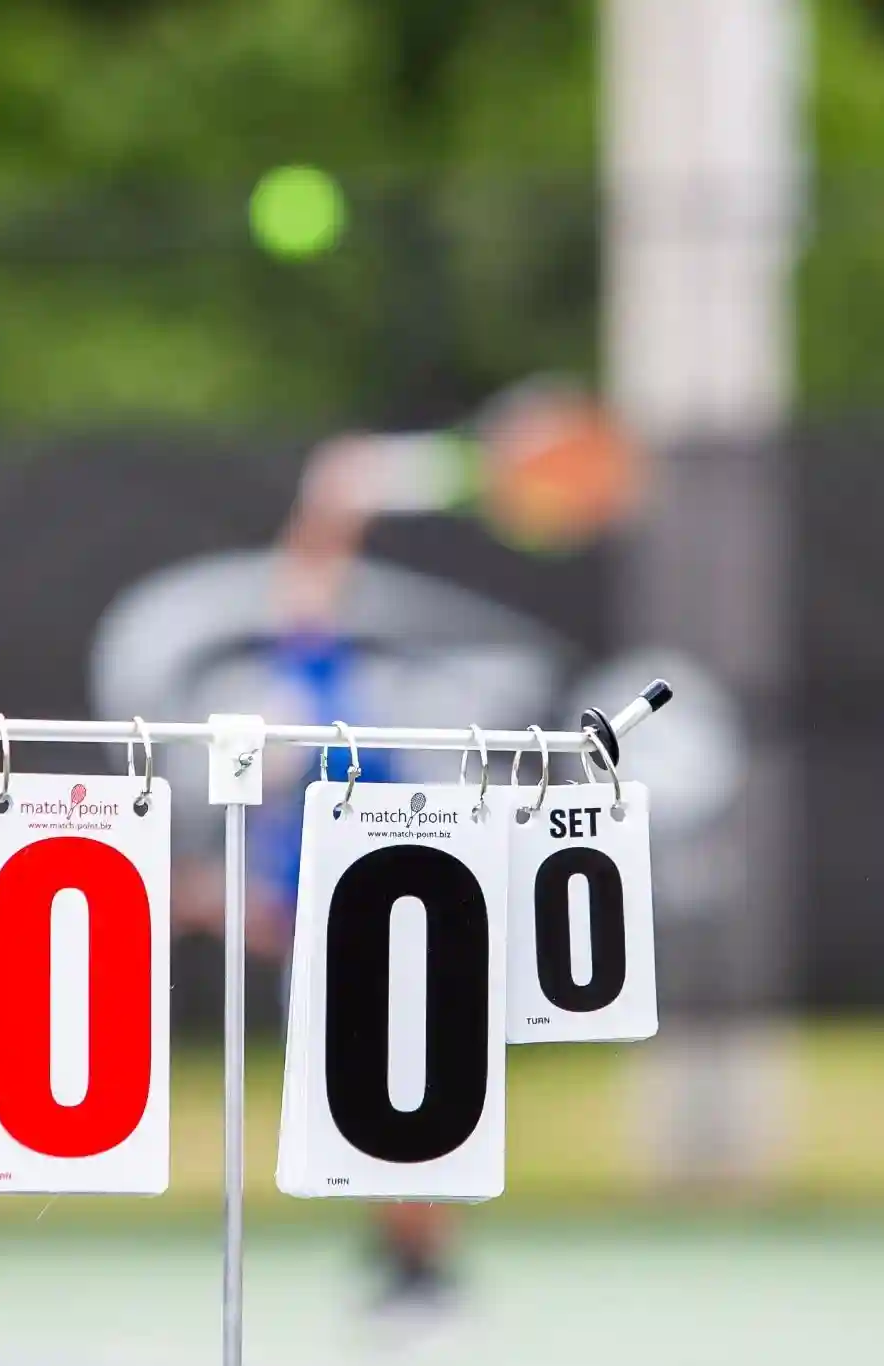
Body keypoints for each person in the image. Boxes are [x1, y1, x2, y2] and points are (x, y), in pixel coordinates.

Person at [251, 379, 643, 1318]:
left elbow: (336, 498)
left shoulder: (379, 707)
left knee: (417, 1083)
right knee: (367, 1089)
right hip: (337, 903)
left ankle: (421, 1264)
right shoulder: (316, 690)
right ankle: (407, 1255)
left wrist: (388, 476)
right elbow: (332, 502)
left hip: (421, 900)